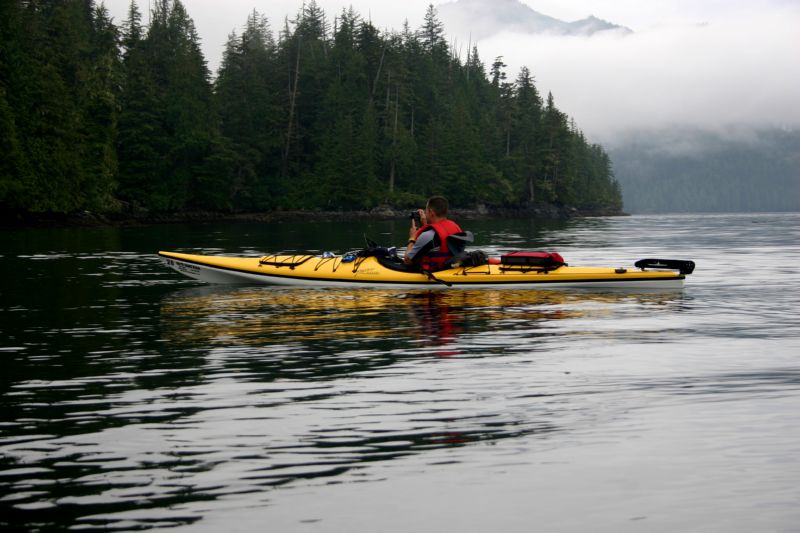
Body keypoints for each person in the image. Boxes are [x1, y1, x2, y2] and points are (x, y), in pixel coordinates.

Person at [404, 196, 464, 270]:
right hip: (451, 268)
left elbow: (407, 261)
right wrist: (424, 226)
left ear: (431, 212)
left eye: (426, 211)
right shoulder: (456, 227)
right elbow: (435, 241)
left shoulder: (428, 235)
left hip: (435, 271)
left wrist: (412, 238)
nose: (425, 213)